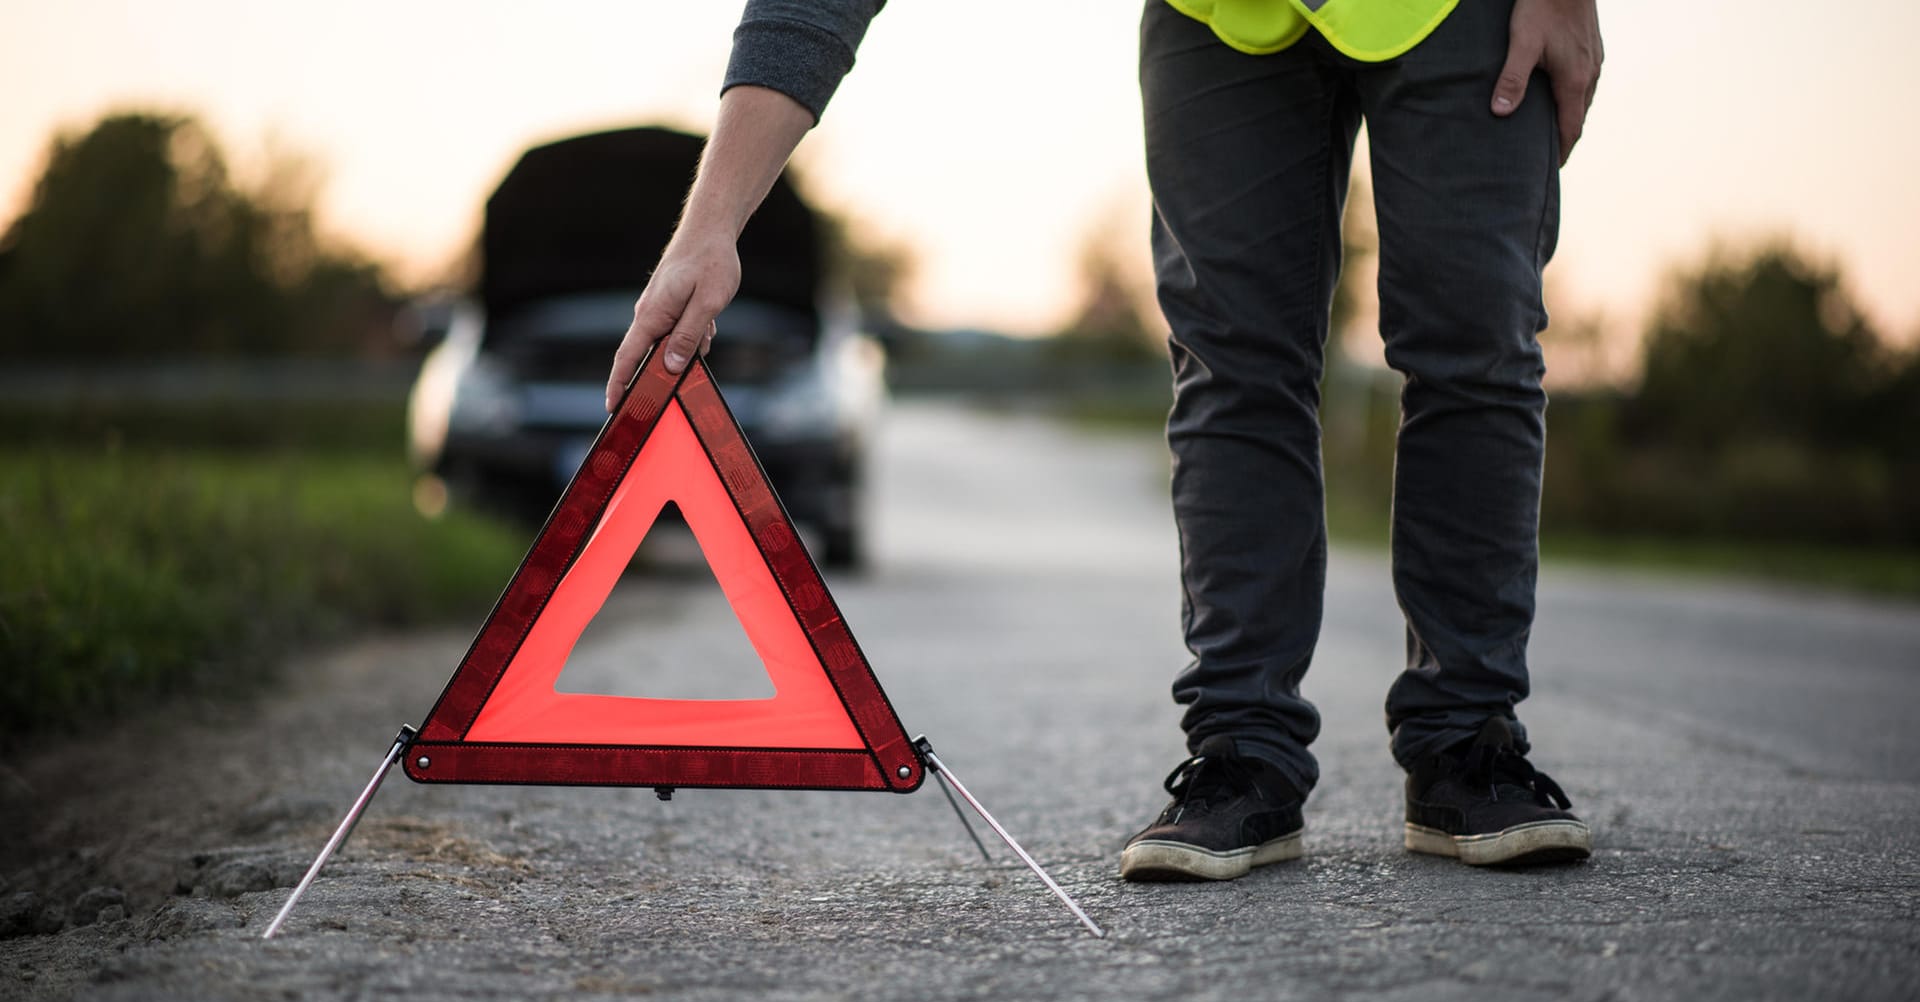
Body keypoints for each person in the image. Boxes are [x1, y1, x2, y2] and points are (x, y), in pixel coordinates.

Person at [604, 0, 1604, 880]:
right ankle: (1243, 748)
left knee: (1472, 338)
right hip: (1224, 17)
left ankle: (1467, 743)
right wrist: (710, 228)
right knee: (1233, 360)